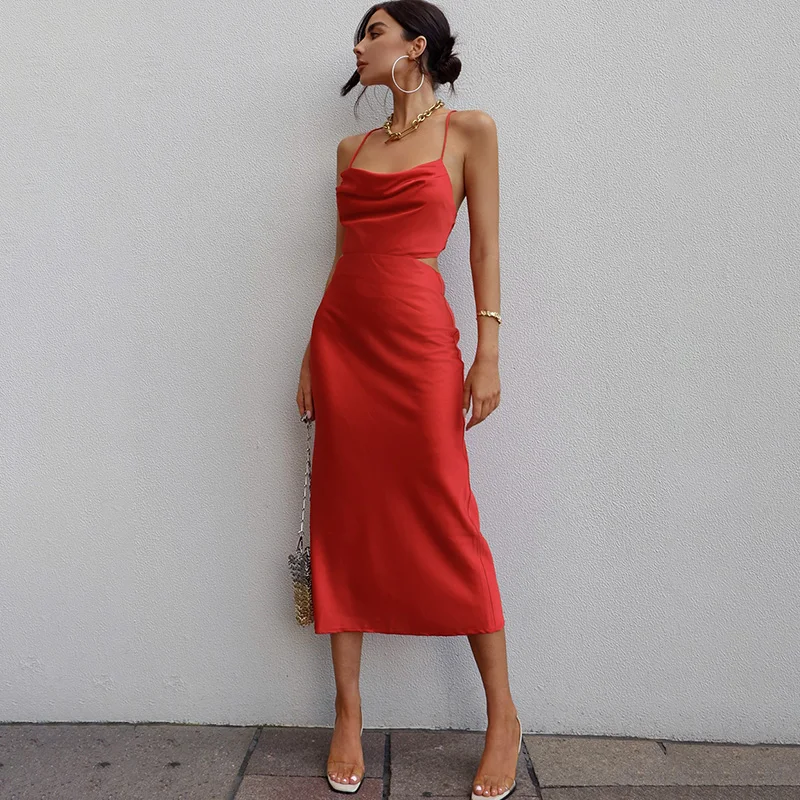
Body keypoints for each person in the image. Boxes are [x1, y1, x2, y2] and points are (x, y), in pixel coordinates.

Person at [295, 3, 521, 798]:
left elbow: (485, 246)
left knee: (448, 514)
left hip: (420, 346)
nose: (359, 46)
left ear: (415, 45)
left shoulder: (469, 131)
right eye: (360, 35)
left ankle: (503, 717)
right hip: (344, 345)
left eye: (374, 32)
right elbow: (343, 258)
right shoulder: (351, 149)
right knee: (344, 517)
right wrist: (311, 352)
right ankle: (348, 712)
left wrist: (488, 351)